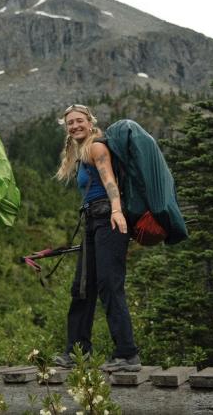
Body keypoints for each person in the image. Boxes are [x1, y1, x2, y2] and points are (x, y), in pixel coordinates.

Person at [53, 105, 141, 372]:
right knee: (82, 286)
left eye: (79, 121)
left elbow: (109, 181)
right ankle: (77, 352)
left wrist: (117, 211)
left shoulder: (96, 147)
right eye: (70, 123)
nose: (75, 126)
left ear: (90, 122)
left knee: (109, 285)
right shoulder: (81, 153)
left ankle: (127, 354)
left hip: (109, 220)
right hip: (93, 221)